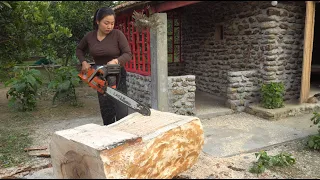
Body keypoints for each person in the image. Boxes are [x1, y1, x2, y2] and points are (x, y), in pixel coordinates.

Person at [76, 7, 132, 126]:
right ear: (98, 21)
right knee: (106, 110)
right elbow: (79, 49)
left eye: (112, 23)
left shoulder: (118, 35)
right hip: (99, 76)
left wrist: (116, 60)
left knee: (121, 110)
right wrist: (84, 62)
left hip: (118, 74)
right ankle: (109, 137)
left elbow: (128, 54)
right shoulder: (89, 37)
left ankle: (123, 134)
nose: (109, 26)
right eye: (106, 23)